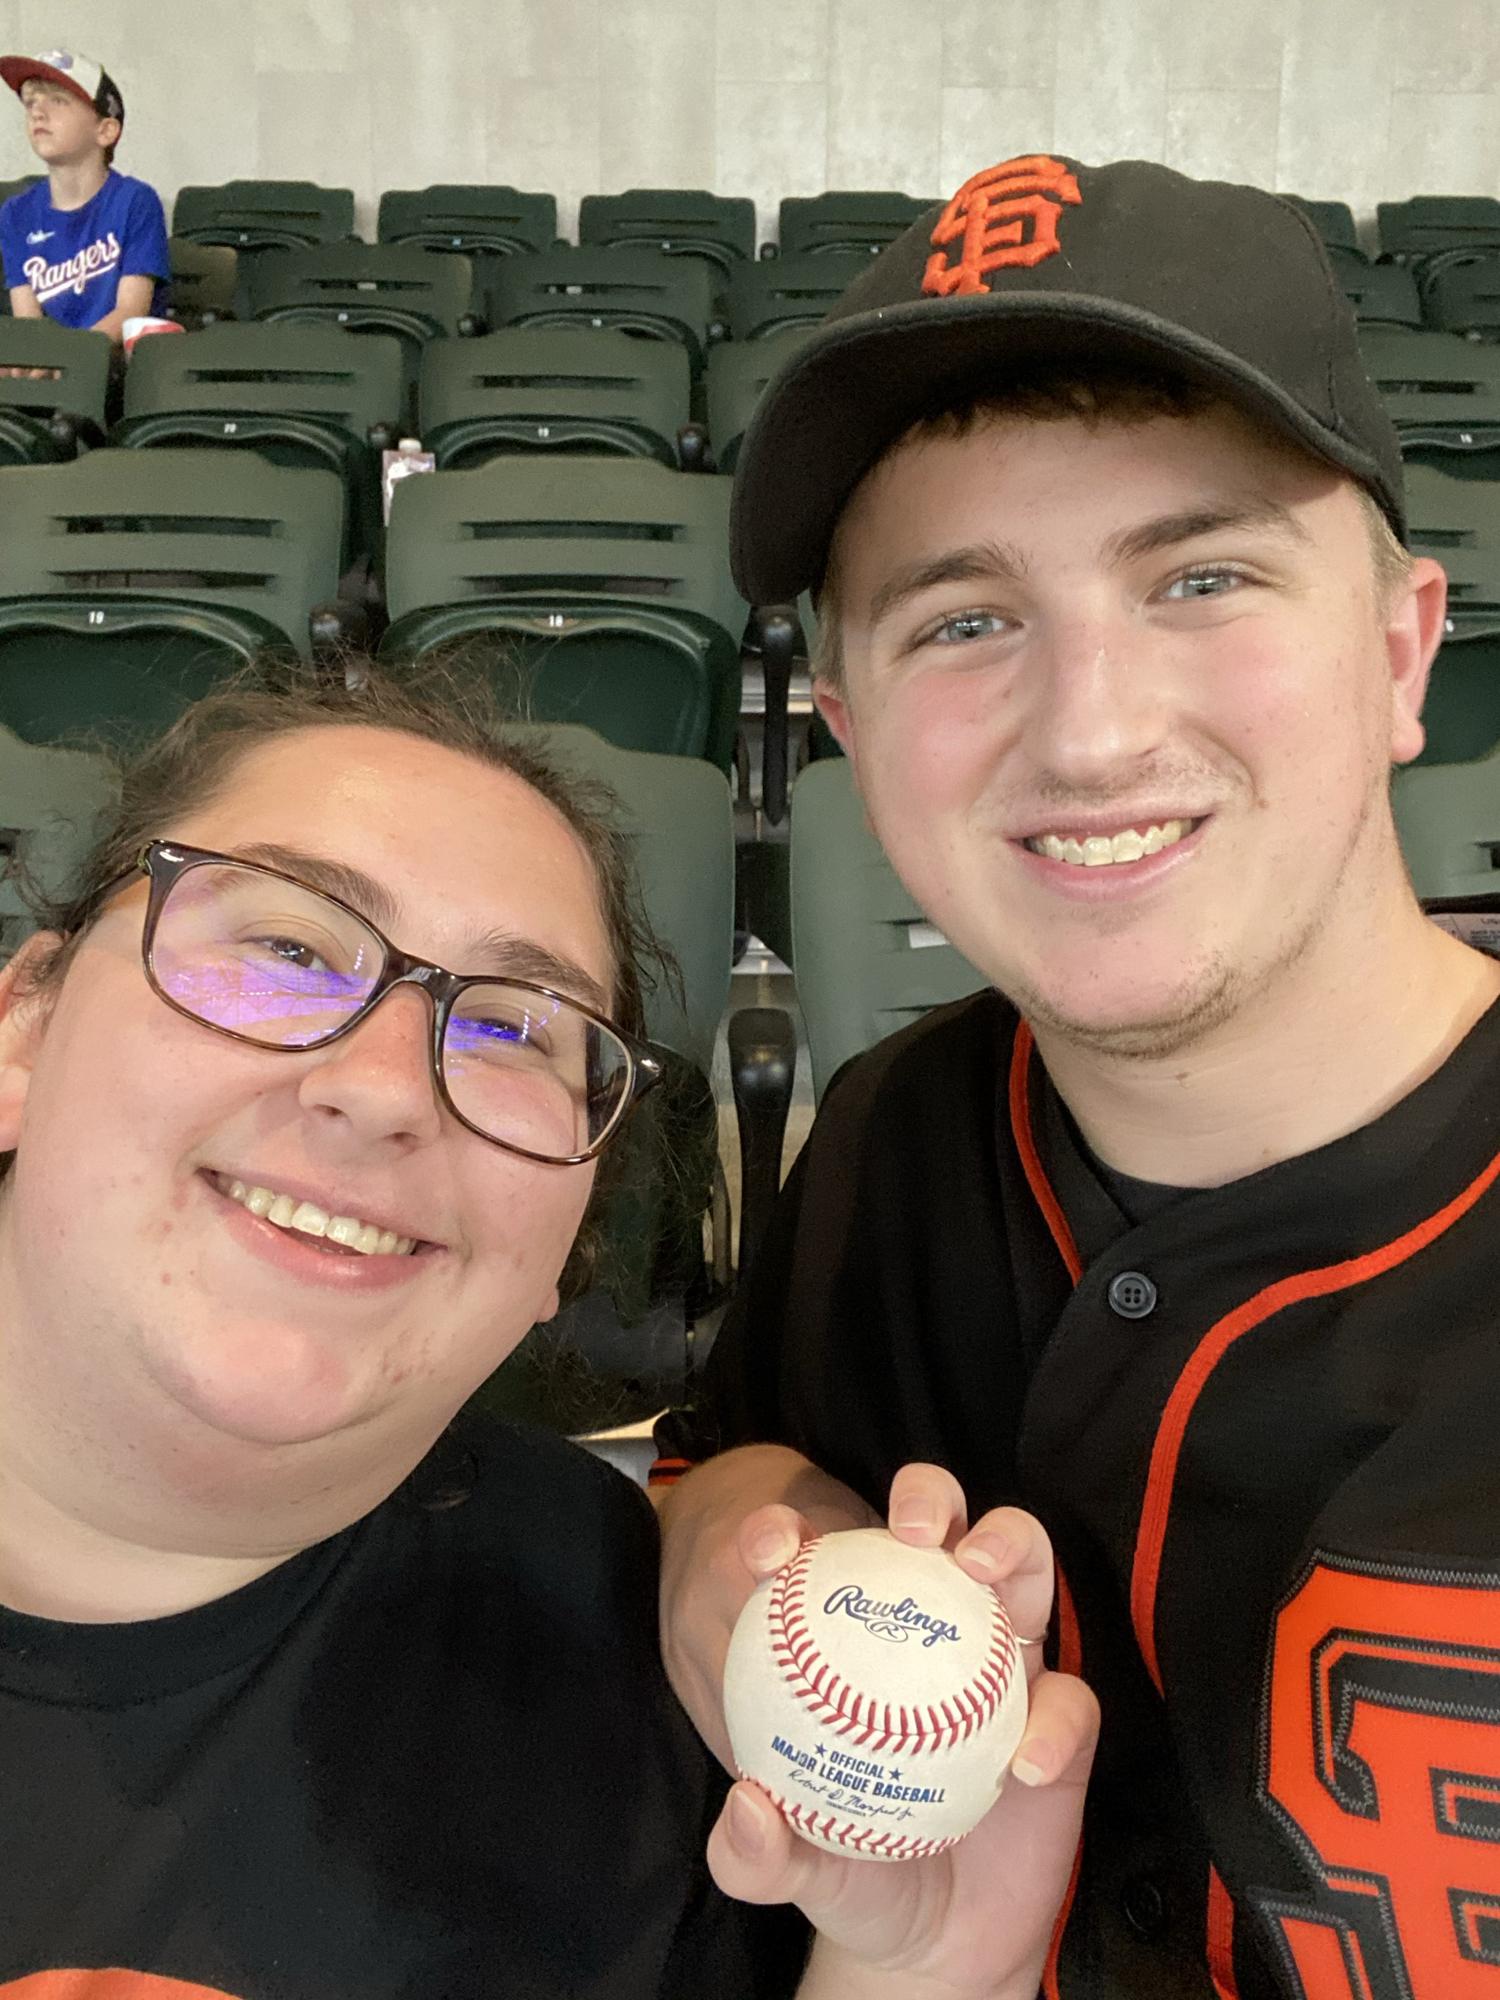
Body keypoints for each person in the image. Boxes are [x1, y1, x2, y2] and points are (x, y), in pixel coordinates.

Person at [654, 154, 1500, 1999]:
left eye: (1201, 576)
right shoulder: (893, 1139)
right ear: (853, 739)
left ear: (1400, 651)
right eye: (965, 619)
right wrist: (733, 1530)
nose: (1095, 727)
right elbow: (715, 1466)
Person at [0, 658, 1094, 2000]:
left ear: (561, 1249)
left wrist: (922, 1978)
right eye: (286, 949)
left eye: (518, 1029)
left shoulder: (634, 1669)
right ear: (22, 1029)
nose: (385, 1089)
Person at [0, 48, 169, 339]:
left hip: (117, 373)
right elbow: (29, 327)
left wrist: (71, 363)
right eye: (30, 103)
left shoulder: (135, 201)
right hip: (49, 374)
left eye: (58, 101)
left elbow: (130, 314)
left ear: (105, 131)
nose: (38, 112)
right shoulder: (16, 214)